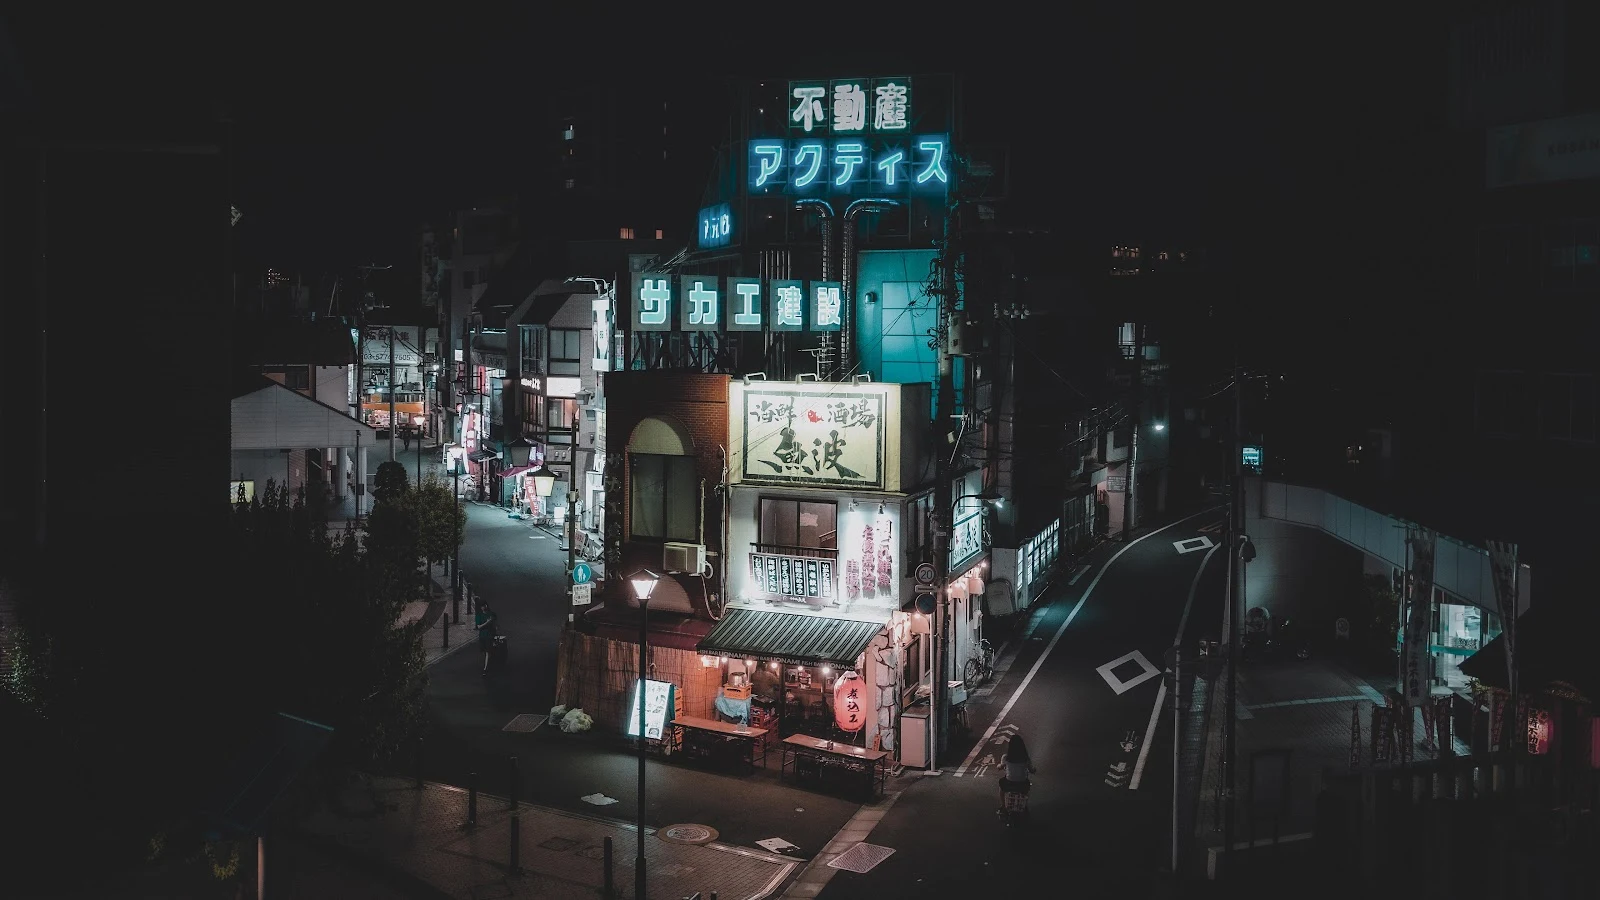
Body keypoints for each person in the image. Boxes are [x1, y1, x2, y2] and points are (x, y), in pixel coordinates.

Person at [998, 734, 1036, 807]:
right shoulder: (1026, 758)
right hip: (1022, 783)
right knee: (1026, 790)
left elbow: (1000, 767)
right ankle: (1024, 805)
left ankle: (1003, 805)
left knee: (1001, 787)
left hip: (1009, 783)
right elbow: (1031, 770)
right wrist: (1034, 770)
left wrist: (999, 766)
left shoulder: (1006, 757)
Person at [476, 602, 499, 675]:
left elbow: (495, 623)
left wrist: (495, 628)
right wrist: (487, 623)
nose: (484, 607)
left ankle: (486, 668)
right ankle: (489, 663)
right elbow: (479, 627)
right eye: (482, 606)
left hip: (489, 635)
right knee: (485, 652)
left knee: (487, 652)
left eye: (484, 606)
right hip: (482, 636)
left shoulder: (491, 614)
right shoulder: (479, 616)